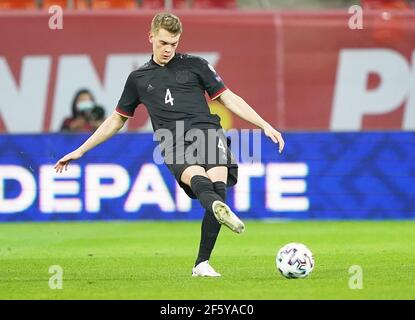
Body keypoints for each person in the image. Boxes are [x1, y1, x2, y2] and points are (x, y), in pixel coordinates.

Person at [54, 12, 284, 277]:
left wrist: (264, 123)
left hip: (208, 132)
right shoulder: (138, 79)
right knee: (200, 182)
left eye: (173, 44)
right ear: (151, 37)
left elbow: (229, 99)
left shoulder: (197, 65)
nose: (168, 49)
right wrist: (80, 150)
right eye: (163, 42)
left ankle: (202, 262)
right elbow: (116, 120)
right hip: (172, 140)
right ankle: (215, 216)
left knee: (216, 187)